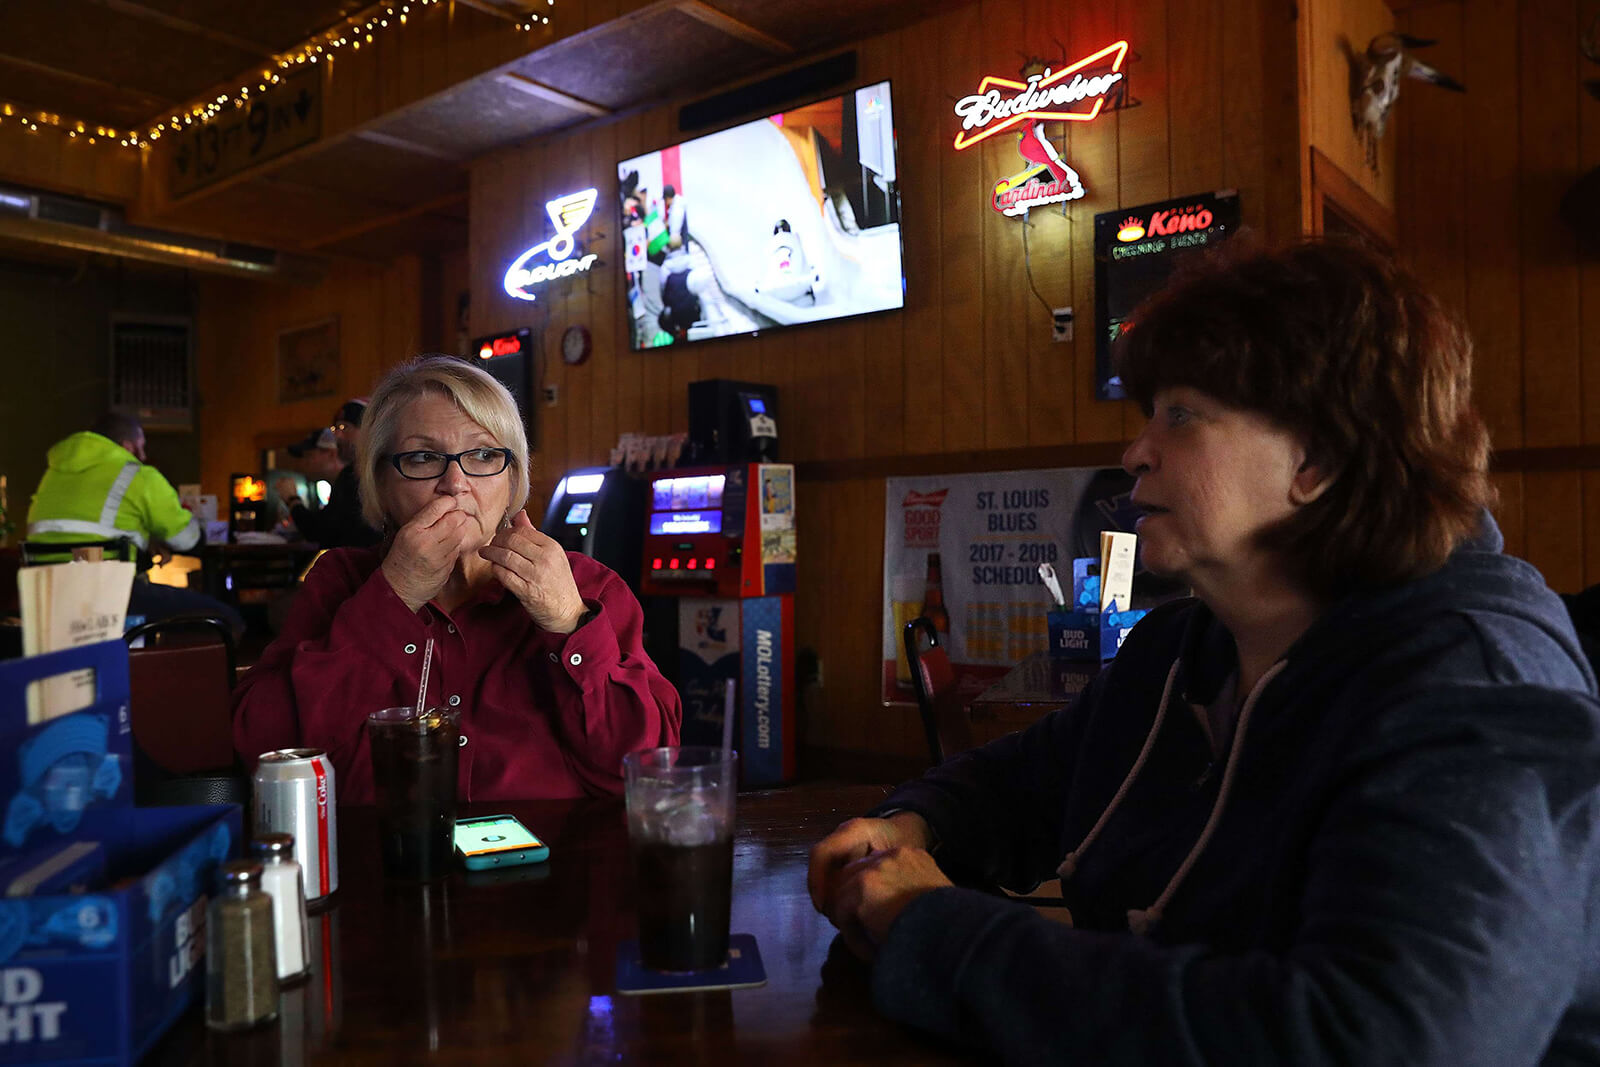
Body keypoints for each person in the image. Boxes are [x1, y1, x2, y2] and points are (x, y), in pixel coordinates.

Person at [807, 239, 1600, 1064]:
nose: (1136, 450)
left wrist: (940, 935)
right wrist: (910, 824)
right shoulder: (1188, 649)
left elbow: (1378, 1039)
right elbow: (1030, 780)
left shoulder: (1471, 688)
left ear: (1319, 459)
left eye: (1181, 414)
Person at [234, 355, 681, 802]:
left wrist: (567, 623)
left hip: (552, 865)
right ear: (380, 484)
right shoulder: (341, 580)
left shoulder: (586, 588)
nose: (456, 483)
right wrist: (393, 599)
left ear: (512, 478)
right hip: (376, 864)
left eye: (484, 455)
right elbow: (263, 747)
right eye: (424, 457)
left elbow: (647, 772)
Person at [26, 412, 243, 637]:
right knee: (224, 620)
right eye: (142, 446)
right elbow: (188, 539)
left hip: (47, 595)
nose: (144, 455)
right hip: (106, 594)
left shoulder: (55, 473)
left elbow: (88, 527)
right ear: (128, 446)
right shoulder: (137, 474)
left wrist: (146, 540)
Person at [275, 399, 381, 549]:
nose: (337, 436)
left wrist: (293, 500)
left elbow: (323, 532)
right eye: (334, 429)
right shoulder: (347, 475)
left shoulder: (382, 474)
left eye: (344, 428)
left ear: (368, 429)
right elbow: (325, 530)